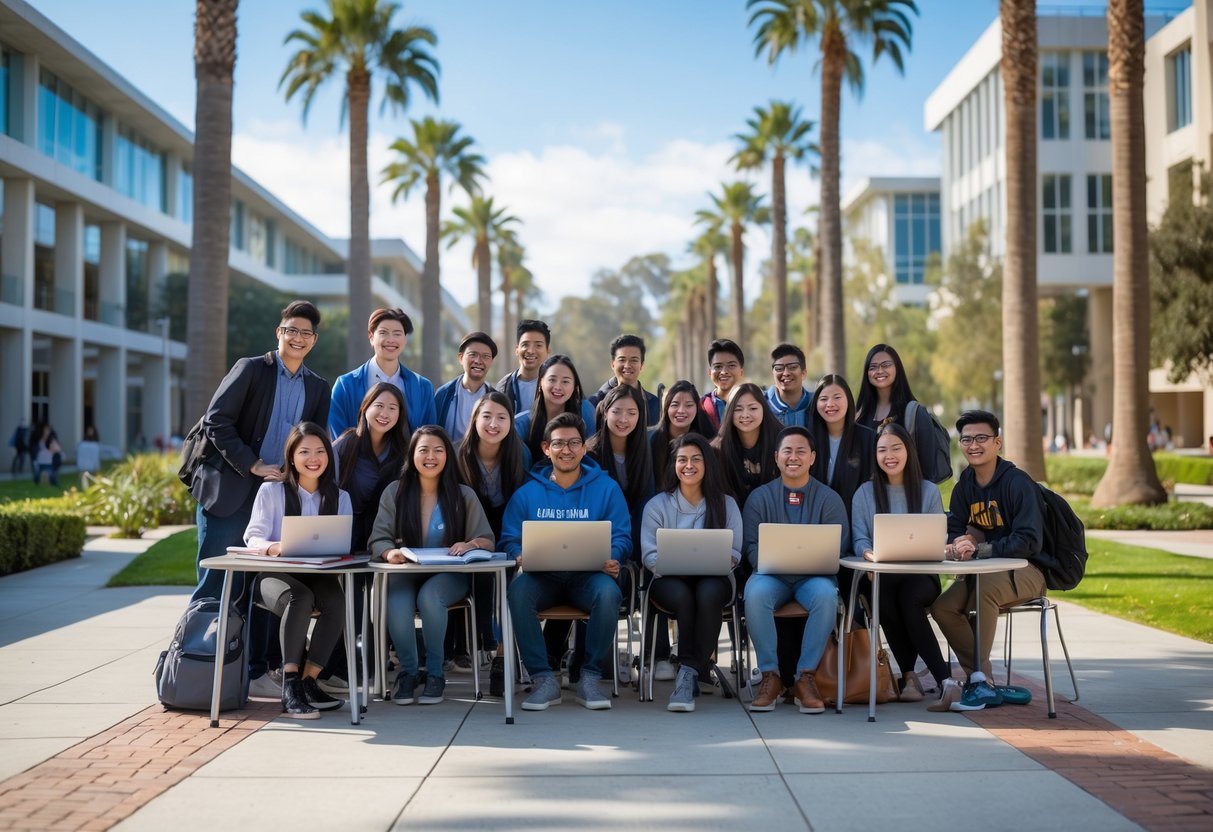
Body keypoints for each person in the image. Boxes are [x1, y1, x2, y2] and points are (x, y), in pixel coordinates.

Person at [186, 300, 331, 696]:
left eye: (306, 333)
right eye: (291, 330)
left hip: (278, 498)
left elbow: (313, 437)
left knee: (267, 587)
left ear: (313, 340)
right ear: (278, 333)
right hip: (231, 492)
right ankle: (199, 671)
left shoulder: (318, 386)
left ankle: (254, 671)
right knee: (217, 582)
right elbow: (217, 419)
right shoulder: (251, 369)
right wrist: (252, 465)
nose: (298, 338)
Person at [502, 412, 631, 711]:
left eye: (574, 443)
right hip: (542, 577)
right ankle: (543, 679)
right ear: (546, 448)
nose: (567, 450)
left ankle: (589, 677)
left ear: (584, 448)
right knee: (518, 592)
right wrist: (518, 555)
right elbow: (508, 538)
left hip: (589, 575)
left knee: (609, 593)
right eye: (559, 444)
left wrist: (615, 556)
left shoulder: (606, 488)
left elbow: (622, 534)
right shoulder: (527, 493)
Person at [929, 410, 1049, 712]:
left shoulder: (1017, 483)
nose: (973, 445)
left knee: (986, 589)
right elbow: (955, 527)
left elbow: (1028, 541)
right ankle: (982, 681)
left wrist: (980, 549)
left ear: (997, 442)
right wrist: (960, 543)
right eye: (966, 439)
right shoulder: (965, 486)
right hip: (982, 573)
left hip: (1029, 571)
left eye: (981, 438)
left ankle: (978, 682)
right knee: (942, 607)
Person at [369, 426, 494, 706]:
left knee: (430, 597)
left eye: (438, 450)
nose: (431, 456)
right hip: (407, 572)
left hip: (450, 575)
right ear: (412, 454)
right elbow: (378, 538)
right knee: (396, 600)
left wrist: (470, 545)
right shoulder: (395, 492)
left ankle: (436, 673)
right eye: (423, 449)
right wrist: (389, 553)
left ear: (448, 456)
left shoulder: (463, 495)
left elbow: (487, 539)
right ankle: (409, 672)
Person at [243, 422, 351, 719]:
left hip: (318, 575)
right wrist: (273, 546)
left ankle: (309, 681)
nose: (313, 458)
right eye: (304, 452)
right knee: (299, 597)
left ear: (329, 456)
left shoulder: (340, 498)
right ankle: (290, 685)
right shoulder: (272, 491)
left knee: (336, 601)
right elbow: (252, 536)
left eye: (319, 451)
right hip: (273, 577)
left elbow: (342, 543)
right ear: (291, 457)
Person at [743, 426, 849, 714]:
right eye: (787, 451)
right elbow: (750, 546)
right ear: (776, 457)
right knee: (754, 595)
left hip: (814, 577)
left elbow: (838, 545)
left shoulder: (829, 499)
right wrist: (765, 560)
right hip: (770, 575)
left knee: (826, 597)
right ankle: (770, 676)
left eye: (801, 451)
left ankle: (806, 678)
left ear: (813, 457)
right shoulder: (759, 498)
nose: (794, 457)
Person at [640, 433, 742, 712]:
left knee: (707, 592)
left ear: (708, 464)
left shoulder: (726, 504)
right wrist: (677, 565)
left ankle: (688, 671)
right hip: (669, 580)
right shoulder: (657, 505)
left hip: (715, 579)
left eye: (696, 459)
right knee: (685, 594)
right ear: (673, 464)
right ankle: (694, 670)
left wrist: (719, 561)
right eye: (682, 459)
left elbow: (734, 552)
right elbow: (650, 555)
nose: (689, 465)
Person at [850, 423, 948, 702]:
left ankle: (940, 678)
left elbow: (937, 538)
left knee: (909, 598)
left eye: (896, 448)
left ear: (909, 451)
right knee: (884, 598)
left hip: (922, 575)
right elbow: (859, 539)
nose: (889, 455)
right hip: (882, 575)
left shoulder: (928, 491)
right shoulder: (864, 493)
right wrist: (869, 555)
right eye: (882, 450)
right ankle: (912, 678)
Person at [325, 383, 409, 693]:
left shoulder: (404, 450)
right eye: (379, 406)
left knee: (381, 604)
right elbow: (324, 486)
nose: (385, 413)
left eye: (393, 408)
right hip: (346, 538)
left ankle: (375, 667)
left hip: (385, 539)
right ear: (365, 408)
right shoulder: (345, 445)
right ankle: (335, 669)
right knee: (350, 603)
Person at [456, 390, 529, 695]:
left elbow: (524, 501)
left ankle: (502, 655)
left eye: (501, 418)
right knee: (481, 579)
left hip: (508, 527)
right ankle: (484, 643)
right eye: (486, 416)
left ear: (511, 423)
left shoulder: (519, 453)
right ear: (474, 420)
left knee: (510, 584)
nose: (493, 424)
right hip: (469, 530)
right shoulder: (459, 455)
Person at [329, 308, 436, 438]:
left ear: (405, 339)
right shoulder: (345, 385)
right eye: (383, 333)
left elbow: (428, 437)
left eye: (397, 334)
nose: (391, 340)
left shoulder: (423, 387)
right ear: (371, 337)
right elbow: (339, 439)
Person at [854, 343, 941, 480]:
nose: (880, 370)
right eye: (873, 367)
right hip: (869, 497)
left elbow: (928, 471)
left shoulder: (915, 413)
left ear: (897, 368)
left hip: (908, 496)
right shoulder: (859, 416)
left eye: (886, 364)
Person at [513, 354, 597, 462]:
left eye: (565, 381)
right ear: (540, 384)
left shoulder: (584, 410)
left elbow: (591, 455)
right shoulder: (520, 424)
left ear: (574, 386)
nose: (558, 387)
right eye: (552, 380)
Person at [712, 382, 782, 507]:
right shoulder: (718, 448)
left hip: (774, 511)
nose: (745, 415)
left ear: (764, 409)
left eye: (753, 408)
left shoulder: (781, 441)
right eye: (738, 409)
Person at [649, 380, 715, 492]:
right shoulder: (650, 440)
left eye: (689, 405)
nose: (681, 411)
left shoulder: (706, 441)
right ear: (666, 408)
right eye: (675, 405)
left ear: (697, 408)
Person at [434, 332, 498, 443]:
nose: (478, 361)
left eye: (485, 357)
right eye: (473, 354)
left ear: (491, 362)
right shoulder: (443, 394)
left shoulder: (496, 399)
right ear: (460, 358)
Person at [587, 334, 662, 427]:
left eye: (634, 360)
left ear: (642, 365)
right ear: (613, 364)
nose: (627, 365)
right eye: (622, 360)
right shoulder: (595, 401)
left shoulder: (654, 404)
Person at [495, 319, 551, 414]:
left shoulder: (556, 384)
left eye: (538, 345)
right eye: (525, 344)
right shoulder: (504, 386)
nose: (530, 351)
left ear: (548, 350)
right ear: (517, 350)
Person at [701, 339, 745, 432]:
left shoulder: (755, 404)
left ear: (741, 372)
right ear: (710, 372)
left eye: (731, 365)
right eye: (717, 366)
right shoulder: (701, 406)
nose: (724, 372)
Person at [765, 343, 813, 427]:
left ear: (803, 373)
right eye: (779, 368)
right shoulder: (762, 403)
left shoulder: (816, 403)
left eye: (793, 367)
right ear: (773, 373)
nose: (786, 373)